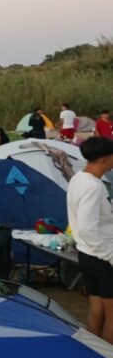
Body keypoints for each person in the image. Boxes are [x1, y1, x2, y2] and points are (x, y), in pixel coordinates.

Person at [67, 136, 113, 343]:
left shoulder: (80, 178)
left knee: (97, 307)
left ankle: (94, 350)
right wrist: (110, 256)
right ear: (105, 159)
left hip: (87, 254)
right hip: (102, 256)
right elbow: (87, 227)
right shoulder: (93, 187)